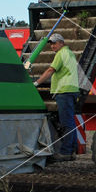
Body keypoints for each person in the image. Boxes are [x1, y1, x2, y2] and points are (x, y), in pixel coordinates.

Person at [33, 33, 79, 161]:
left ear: (61, 43)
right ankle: (71, 152)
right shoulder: (69, 53)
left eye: (55, 43)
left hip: (64, 91)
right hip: (71, 90)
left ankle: (65, 152)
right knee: (70, 122)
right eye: (51, 43)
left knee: (66, 123)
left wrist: (36, 83)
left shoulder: (61, 54)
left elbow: (50, 70)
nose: (52, 46)